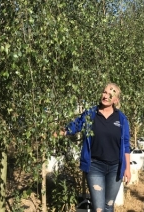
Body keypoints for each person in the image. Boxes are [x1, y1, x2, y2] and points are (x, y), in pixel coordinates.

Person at [59, 83, 131, 212]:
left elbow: (126, 144)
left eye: (110, 94)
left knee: (108, 206)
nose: (106, 96)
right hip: (95, 166)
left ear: (116, 100)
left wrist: (127, 169)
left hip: (115, 168)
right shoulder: (91, 113)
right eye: (104, 92)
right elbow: (77, 125)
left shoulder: (121, 119)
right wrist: (62, 131)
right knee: (98, 208)